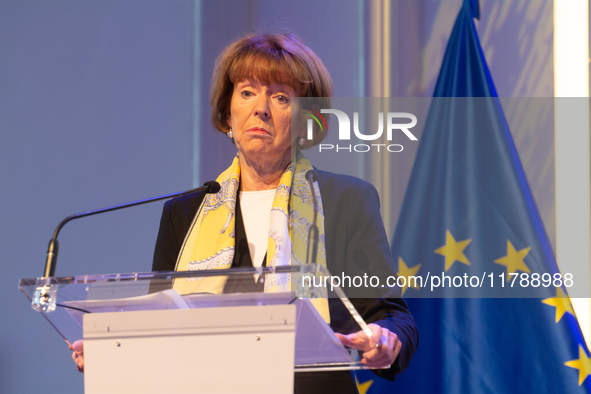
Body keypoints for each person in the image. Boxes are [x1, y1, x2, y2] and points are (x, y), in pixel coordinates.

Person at [71, 33, 418, 393]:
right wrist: (112, 354)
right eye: (248, 92)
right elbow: (161, 326)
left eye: (281, 97)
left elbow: (391, 317)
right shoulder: (185, 212)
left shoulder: (346, 200)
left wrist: (385, 339)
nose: (261, 109)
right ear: (227, 112)